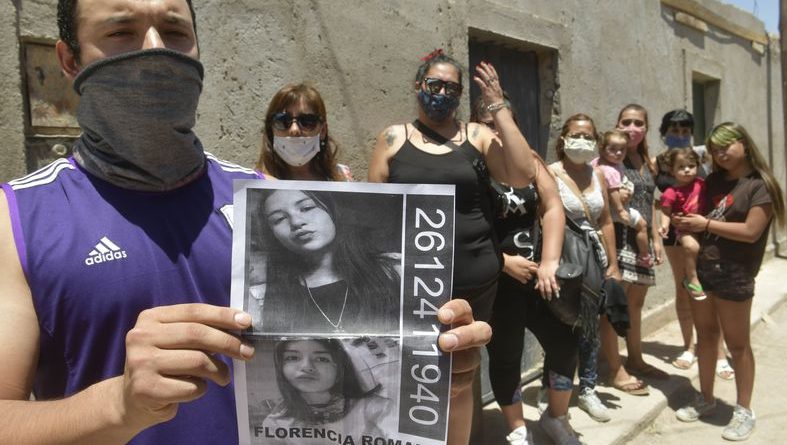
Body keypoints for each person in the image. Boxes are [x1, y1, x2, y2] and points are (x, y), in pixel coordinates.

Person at [0, 3, 491, 444]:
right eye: (120, 32)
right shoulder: (17, 217)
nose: (155, 51)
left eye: (175, 32)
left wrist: (449, 384)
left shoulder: (255, 196)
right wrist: (118, 405)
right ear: (69, 60)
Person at [368, 50, 544, 445]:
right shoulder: (393, 138)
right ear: (418, 86)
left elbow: (522, 173)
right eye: (435, 84)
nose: (443, 93)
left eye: (453, 88)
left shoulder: (476, 136)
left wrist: (497, 106)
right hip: (411, 281)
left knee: (459, 378)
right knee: (410, 370)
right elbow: (376, 211)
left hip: (473, 280)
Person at [470, 98, 577, 444]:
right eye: (487, 123)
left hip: (538, 277)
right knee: (506, 356)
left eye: (503, 122)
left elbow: (552, 206)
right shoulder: (470, 164)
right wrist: (502, 262)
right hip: (496, 281)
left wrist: (549, 262)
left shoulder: (529, 159)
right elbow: (461, 225)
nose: (496, 130)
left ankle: (556, 417)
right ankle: (517, 428)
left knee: (566, 342)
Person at [673, 122, 785, 441]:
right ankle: (706, 399)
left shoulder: (759, 185)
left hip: (736, 273)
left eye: (726, 146)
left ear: (744, 145)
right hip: (703, 270)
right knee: (706, 337)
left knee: (737, 345)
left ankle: (744, 410)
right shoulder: (712, 180)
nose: (720, 154)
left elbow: (751, 232)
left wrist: (705, 223)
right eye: (715, 149)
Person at [543, 114, 624, 427]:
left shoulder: (598, 174)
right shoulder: (550, 173)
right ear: (563, 138)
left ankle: (588, 388)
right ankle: (552, 386)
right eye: (576, 134)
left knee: (590, 326)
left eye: (588, 136)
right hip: (564, 261)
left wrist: (612, 264)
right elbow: (542, 217)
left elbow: (605, 221)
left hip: (595, 259)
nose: (582, 140)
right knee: (559, 325)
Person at [251, 189, 401, 333]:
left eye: (306, 208)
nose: (296, 222)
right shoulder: (264, 297)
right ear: (273, 235)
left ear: (332, 210)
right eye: (279, 219)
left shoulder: (393, 271)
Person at [655, 110, 732, 379]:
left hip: (705, 230)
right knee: (684, 290)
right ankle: (689, 347)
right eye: (674, 130)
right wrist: (661, 226)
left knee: (710, 291)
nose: (680, 135)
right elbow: (655, 200)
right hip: (675, 234)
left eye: (685, 130)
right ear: (664, 132)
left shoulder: (703, 157)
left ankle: (719, 353)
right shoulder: (656, 161)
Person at [613, 104, 669, 381]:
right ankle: (612, 365)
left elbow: (651, 203)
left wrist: (657, 238)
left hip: (642, 243)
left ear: (646, 129)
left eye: (638, 123)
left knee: (635, 304)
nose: (632, 128)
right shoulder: (612, 158)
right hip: (619, 239)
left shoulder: (649, 162)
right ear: (617, 124)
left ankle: (635, 359)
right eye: (626, 122)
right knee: (614, 305)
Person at [261, 339, 393, 443]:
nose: (306, 367)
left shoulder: (377, 408)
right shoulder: (275, 424)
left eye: (321, 359)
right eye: (293, 358)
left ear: (340, 370)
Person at [256, 82, 354, 181]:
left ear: (323, 131)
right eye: (283, 121)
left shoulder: (342, 178)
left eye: (307, 121)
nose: (294, 130)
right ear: (271, 130)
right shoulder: (255, 182)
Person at [592, 130, 652, 266]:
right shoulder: (610, 170)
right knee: (642, 225)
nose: (618, 153)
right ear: (601, 149)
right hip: (615, 209)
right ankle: (644, 255)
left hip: (602, 209)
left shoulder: (596, 163)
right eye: (613, 149)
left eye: (622, 149)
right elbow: (613, 191)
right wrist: (620, 210)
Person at [657, 147, 706, 300]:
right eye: (681, 167)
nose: (687, 170)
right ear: (672, 170)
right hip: (686, 228)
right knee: (691, 247)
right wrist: (664, 225)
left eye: (691, 166)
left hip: (705, 226)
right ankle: (691, 278)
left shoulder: (702, 184)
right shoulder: (671, 192)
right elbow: (665, 211)